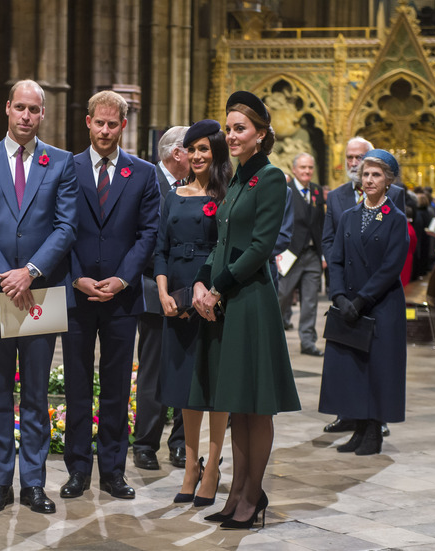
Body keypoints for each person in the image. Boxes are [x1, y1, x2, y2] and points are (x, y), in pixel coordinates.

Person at [0, 79, 78, 515]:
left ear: (43, 114)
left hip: (39, 293)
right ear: (7, 109)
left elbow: (66, 227)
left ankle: (33, 483)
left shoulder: (59, 162)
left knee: (35, 394)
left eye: (35, 109)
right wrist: (5, 277)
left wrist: (29, 272)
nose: (26, 116)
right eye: (20, 108)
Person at [191, 91, 300, 529]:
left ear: (261, 134)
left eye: (241, 128)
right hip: (226, 298)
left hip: (250, 301)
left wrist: (216, 288)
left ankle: (252, 496)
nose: (232, 135)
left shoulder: (271, 178)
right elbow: (220, 240)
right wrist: (201, 280)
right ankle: (237, 490)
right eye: (229, 128)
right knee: (236, 404)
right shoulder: (236, 178)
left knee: (256, 406)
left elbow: (260, 248)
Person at [60, 90, 160, 502]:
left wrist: (121, 279)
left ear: (124, 125)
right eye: (98, 122)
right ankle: (78, 470)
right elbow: (57, 229)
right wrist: (76, 278)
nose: (105, 130)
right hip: (78, 296)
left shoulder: (142, 173)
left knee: (117, 387)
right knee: (77, 386)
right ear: (87, 122)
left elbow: (149, 233)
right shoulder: (67, 168)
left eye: (112, 123)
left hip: (121, 299)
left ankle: (114, 472)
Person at [154, 120, 230, 507]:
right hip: (177, 294)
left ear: (216, 151)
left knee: (213, 384)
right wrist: (164, 293)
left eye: (204, 148)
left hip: (214, 295)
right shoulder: (173, 195)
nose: (197, 156)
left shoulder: (227, 193)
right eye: (192, 149)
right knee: (186, 385)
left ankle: (213, 466)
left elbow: (229, 248)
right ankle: (190, 467)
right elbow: (161, 248)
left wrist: (212, 293)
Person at [319, 149, 409, 455]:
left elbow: (390, 267)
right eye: (366, 174)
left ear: (388, 182)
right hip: (350, 305)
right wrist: (339, 296)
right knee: (353, 369)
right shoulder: (349, 216)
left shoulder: (395, 218)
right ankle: (359, 429)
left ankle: (374, 432)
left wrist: (362, 299)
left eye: (376, 175)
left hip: (381, 306)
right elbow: (337, 260)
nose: (369, 180)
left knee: (378, 370)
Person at [133, 125, 189, 472]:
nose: (201, 156)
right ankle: (145, 444)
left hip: (188, 296)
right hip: (154, 291)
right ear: (177, 153)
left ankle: (181, 443)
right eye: (194, 149)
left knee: (185, 369)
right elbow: (142, 238)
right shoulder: (145, 180)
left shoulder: (197, 187)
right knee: (152, 372)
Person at [279, 151, 326, 357]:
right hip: (290, 253)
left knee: (310, 301)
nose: (307, 171)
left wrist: (323, 254)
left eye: (310, 168)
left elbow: (320, 224)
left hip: (312, 254)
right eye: (303, 168)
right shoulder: (285, 190)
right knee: (282, 295)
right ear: (294, 170)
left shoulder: (316, 191)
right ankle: (275, 335)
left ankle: (308, 341)